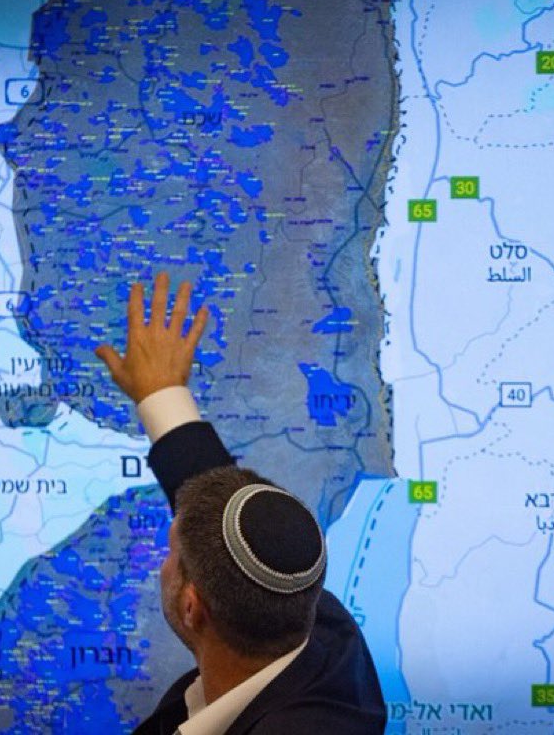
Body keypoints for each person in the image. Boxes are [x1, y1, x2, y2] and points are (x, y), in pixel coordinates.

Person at [94, 273, 386, 735]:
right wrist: (161, 393)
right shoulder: (327, 646)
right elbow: (231, 520)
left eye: (172, 551)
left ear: (191, 606)